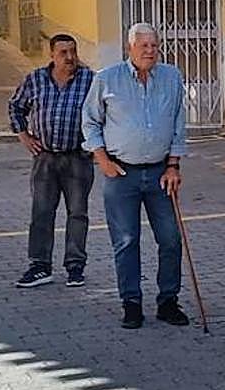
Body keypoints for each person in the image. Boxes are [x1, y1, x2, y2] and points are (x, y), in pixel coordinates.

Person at [81, 23, 189, 330]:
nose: (150, 51)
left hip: (160, 172)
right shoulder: (107, 79)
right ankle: (131, 302)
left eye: (154, 46)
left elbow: (179, 121)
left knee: (170, 239)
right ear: (130, 47)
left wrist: (174, 165)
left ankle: (168, 300)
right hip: (121, 172)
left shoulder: (171, 77)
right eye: (144, 46)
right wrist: (102, 160)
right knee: (126, 241)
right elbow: (89, 123)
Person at [8, 33, 95, 289]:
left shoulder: (90, 80)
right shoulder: (35, 80)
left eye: (73, 51)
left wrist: (97, 146)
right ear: (52, 55)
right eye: (63, 53)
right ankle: (39, 266)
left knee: (78, 214)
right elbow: (15, 107)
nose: (70, 57)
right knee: (41, 213)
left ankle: (75, 266)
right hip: (45, 158)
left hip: (78, 158)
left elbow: (106, 111)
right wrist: (24, 135)